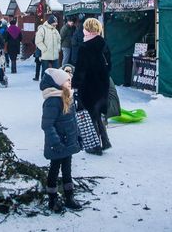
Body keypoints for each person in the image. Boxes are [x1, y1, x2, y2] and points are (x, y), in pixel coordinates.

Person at [40, 67, 82, 213]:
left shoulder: (67, 96)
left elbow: (72, 121)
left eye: (70, 80)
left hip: (68, 142)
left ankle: (69, 196)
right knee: (54, 169)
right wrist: (56, 142)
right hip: (57, 144)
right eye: (67, 81)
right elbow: (47, 124)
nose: (70, 83)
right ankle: (52, 200)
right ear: (58, 83)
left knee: (67, 170)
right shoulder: (53, 100)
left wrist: (78, 136)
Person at [72, 18, 112, 154]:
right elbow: (109, 65)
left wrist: (75, 84)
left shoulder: (85, 47)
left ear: (87, 30)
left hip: (88, 84)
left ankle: (95, 145)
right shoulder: (104, 44)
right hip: (102, 83)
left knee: (90, 114)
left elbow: (80, 68)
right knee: (98, 113)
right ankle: (105, 141)